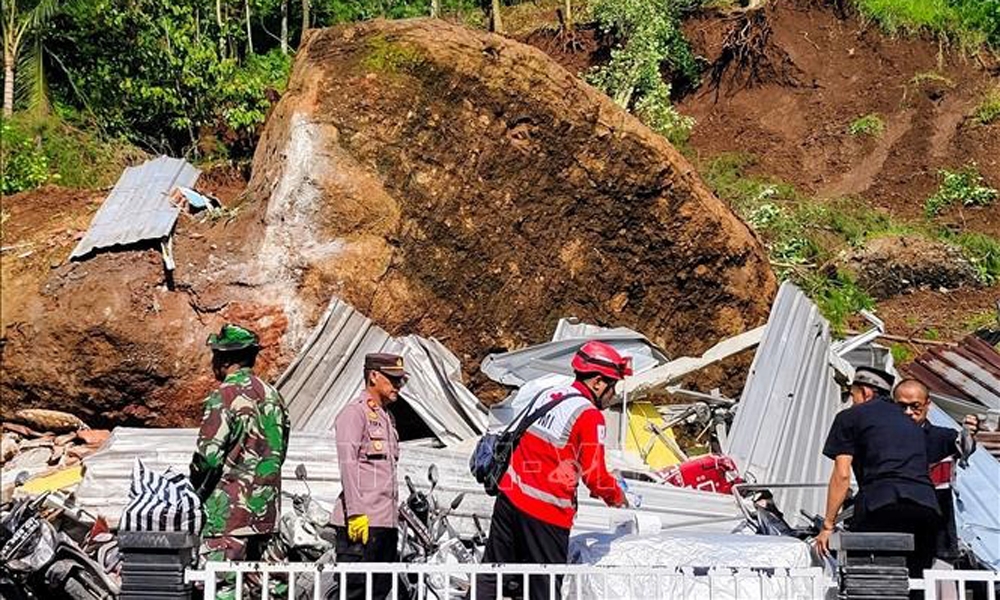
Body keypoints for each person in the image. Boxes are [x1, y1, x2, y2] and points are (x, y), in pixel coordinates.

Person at [475, 341, 634, 600]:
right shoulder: (589, 415)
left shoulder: (550, 395)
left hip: (509, 500)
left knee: (492, 576)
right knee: (543, 591)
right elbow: (595, 476)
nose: (613, 393)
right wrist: (618, 497)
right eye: (612, 385)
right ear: (596, 382)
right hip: (545, 516)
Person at [190, 324, 290, 599]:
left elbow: (208, 458)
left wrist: (194, 490)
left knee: (222, 589)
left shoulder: (224, 396)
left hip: (228, 516)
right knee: (270, 590)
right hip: (267, 513)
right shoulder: (274, 397)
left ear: (223, 360)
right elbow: (280, 451)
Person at [816, 366, 940, 578]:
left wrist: (828, 525)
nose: (851, 400)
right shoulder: (911, 420)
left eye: (852, 395)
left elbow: (842, 474)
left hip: (880, 504)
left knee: (869, 577)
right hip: (927, 507)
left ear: (865, 392)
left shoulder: (850, 417)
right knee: (917, 580)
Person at [331, 353, 406, 600]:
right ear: (373, 376)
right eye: (394, 380)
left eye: (401, 381)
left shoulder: (388, 419)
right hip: (362, 523)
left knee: (379, 594)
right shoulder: (355, 413)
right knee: (354, 592)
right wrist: (355, 513)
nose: (399, 386)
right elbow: (348, 465)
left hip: (386, 524)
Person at [894, 378, 978, 565]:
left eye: (915, 406)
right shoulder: (883, 438)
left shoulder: (943, 437)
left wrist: (969, 433)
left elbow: (965, 448)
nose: (908, 412)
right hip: (895, 531)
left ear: (928, 404)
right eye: (902, 406)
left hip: (938, 534)